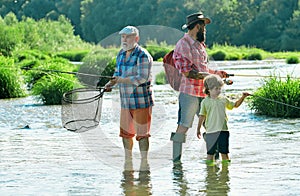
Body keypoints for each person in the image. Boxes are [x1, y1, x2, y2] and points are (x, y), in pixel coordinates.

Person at [170, 12, 228, 162]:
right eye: (204, 26)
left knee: (211, 125)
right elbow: (188, 72)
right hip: (189, 93)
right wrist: (211, 77)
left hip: (203, 93)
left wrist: (218, 73)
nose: (205, 30)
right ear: (197, 26)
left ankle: (213, 159)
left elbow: (203, 69)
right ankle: (176, 161)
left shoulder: (200, 45)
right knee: (183, 126)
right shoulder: (183, 44)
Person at [104, 26, 154, 163]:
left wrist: (121, 80)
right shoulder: (120, 53)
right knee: (126, 135)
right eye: (123, 37)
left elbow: (142, 78)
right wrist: (111, 84)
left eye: (128, 37)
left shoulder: (143, 55)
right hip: (125, 102)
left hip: (141, 102)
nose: (125, 39)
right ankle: (128, 162)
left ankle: (144, 162)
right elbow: (117, 74)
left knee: (142, 135)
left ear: (136, 38)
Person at [197, 74, 250, 163]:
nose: (218, 91)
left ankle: (225, 174)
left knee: (224, 153)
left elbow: (235, 105)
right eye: (216, 89)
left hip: (223, 131)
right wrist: (198, 129)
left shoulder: (223, 99)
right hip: (210, 132)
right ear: (208, 89)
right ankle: (210, 174)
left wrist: (243, 97)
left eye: (219, 89)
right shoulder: (205, 102)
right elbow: (202, 115)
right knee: (210, 154)